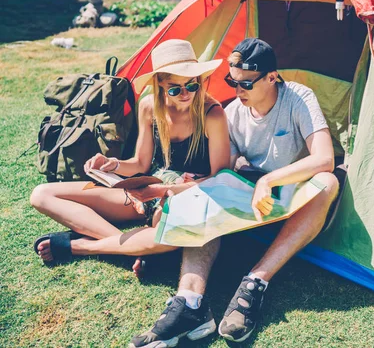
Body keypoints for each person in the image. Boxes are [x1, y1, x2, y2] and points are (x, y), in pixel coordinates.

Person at [129, 38, 340, 347]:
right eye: (232, 81)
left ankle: (254, 283)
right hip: (252, 194)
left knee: (328, 182)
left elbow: (325, 159)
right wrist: (176, 191)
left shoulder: (297, 98)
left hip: (295, 192)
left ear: (271, 77)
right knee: (211, 192)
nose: (237, 90)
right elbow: (222, 174)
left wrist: (270, 181)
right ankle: (190, 304)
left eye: (245, 83)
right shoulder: (235, 114)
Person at [30, 39, 230, 273]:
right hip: (146, 191)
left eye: (192, 85)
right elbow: (140, 163)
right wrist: (111, 164)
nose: (185, 94)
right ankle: (132, 251)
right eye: (175, 88)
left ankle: (88, 246)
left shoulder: (212, 114)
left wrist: (165, 191)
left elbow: (221, 178)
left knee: (165, 233)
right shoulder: (149, 107)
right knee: (42, 194)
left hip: (184, 194)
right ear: (161, 84)